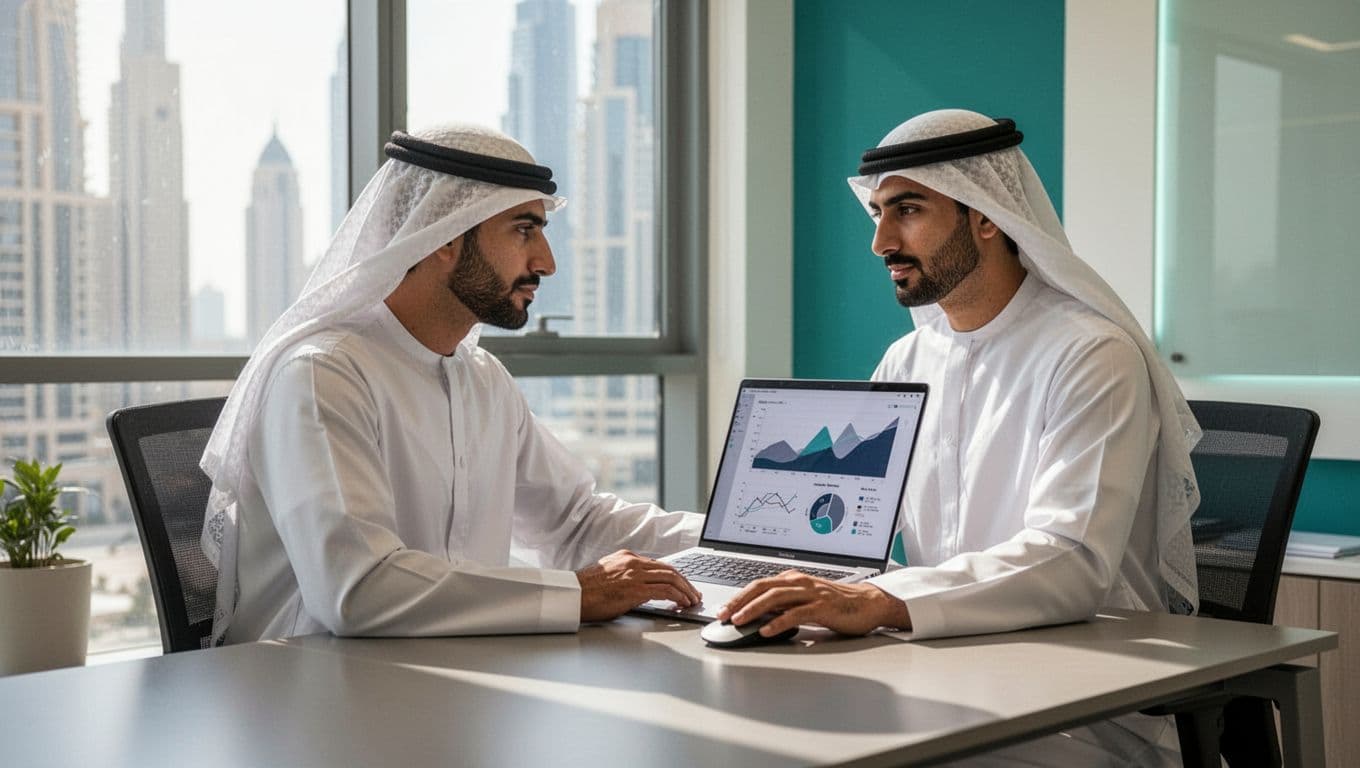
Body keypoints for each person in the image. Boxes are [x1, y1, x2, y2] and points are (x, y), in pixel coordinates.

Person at [717, 109, 1202, 764]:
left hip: (1084, 703)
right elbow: (857, 533)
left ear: (986, 213)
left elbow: (1071, 562)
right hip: (942, 669)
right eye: (878, 213)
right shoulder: (906, 362)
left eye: (908, 210)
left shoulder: (1091, 354)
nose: (881, 241)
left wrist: (876, 600)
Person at [200, 124, 702, 645]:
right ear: (444, 236)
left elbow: (574, 524)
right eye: (524, 230)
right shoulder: (323, 376)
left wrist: (738, 544)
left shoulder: (483, 380)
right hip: (310, 696)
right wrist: (576, 594)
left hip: (452, 684)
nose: (546, 263)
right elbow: (359, 590)